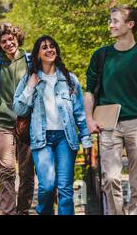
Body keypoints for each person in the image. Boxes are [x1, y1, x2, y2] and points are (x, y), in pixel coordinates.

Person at [84, 6, 137, 215]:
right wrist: (89, 119)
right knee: (110, 179)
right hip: (109, 125)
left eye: (115, 21)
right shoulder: (101, 55)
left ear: (130, 24)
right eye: (111, 20)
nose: (111, 24)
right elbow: (89, 92)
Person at [13, 35, 92, 215]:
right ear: (38, 54)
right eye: (44, 47)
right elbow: (19, 108)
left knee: (65, 189)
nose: (49, 50)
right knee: (47, 186)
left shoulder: (69, 79)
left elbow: (79, 111)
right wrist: (30, 87)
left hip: (66, 138)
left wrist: (86, 136)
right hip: (42, 140)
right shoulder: (29, 79)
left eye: (52, 46)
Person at [0, 23, 35, 215]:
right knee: (7, 170)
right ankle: (8, 211)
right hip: (3, 124)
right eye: (3, 41)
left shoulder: (30, 60)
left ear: (17, 38)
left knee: (27, 173)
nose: (8, 43)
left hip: (26, 123)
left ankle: (23, 211)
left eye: (11, 39)